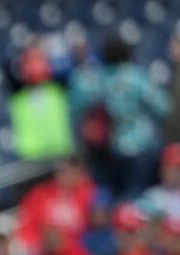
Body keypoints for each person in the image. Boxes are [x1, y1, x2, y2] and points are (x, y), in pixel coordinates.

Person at [68, 35, 169, 196]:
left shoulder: (95, 79)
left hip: (106, 151)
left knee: (113, 201)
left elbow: (75, 109)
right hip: (138, 147)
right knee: (138, 200)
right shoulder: (136, 77)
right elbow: (163, 108)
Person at [15, 158, 95, 253]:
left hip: (81, 250)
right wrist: (43, 242)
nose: (69, 176)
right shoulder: (40, 194)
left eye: (74, 172)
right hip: (47, 252)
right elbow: (26, 230)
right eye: (64, 172)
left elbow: (95, 225)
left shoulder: (88, 192)